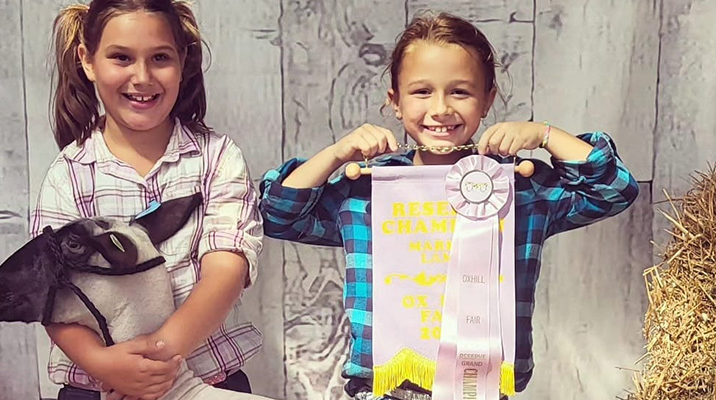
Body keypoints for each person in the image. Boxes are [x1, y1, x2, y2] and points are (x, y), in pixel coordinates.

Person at [258, 12, 639, 400]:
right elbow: (276, 215)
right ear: (395, 101)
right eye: (422, 92)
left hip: (484, 388)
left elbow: (612, 188)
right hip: (382, 390)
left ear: (488, 99)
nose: (440, 108)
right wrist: (337, 154)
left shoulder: (519, 188)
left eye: (460, 92)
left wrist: (544, 134)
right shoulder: (365, 190)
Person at [33, 1, 264, 399]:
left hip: (208, 384)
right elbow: (52, 292)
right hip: (99, 387)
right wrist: (107, 365)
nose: (142, 77)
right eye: (121, 57)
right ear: (87, 61)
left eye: (160, 58)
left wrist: (156, 362)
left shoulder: (217, 158)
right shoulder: (69, 174)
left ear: (183, 61)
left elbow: (226, 270)